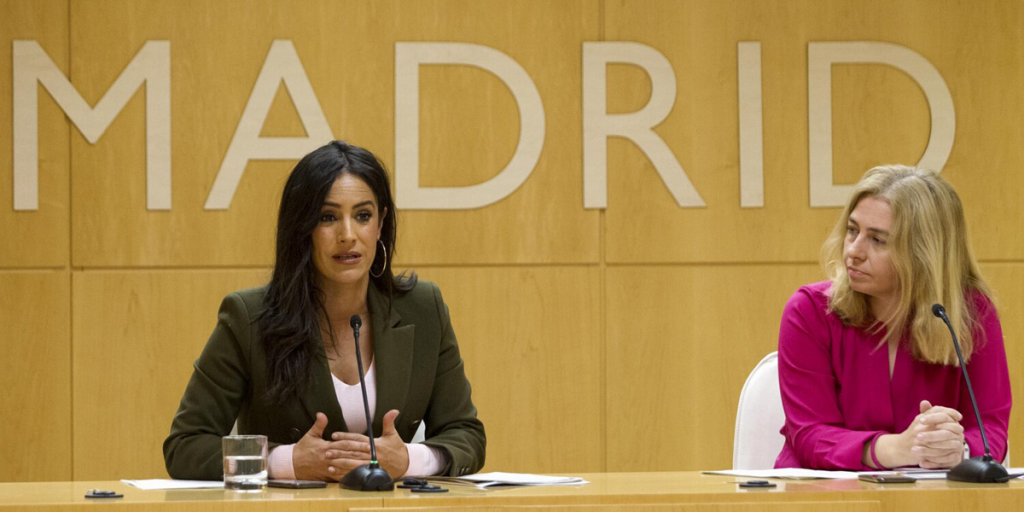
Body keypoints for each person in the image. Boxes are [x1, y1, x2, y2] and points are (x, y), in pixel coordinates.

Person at [164, 141, 486, 481]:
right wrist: (285, 462)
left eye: (362, 216)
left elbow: (466, 435)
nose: (347, 235)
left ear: (380, 224)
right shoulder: (249, 317)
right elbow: (185, 446)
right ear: (303, 229)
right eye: (327, 217)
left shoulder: (423, 308)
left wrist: (408, 460)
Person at [775, 165, 1011, 470]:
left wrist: (958, 448)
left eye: (878, 240)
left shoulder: (971, 314)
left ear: (923, 252)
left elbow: (990, 426)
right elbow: (809, 434)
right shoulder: (809, 311)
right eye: (852, 230)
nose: (854, 251)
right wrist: (894, 449)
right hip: (823, 496)